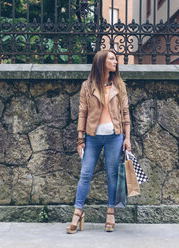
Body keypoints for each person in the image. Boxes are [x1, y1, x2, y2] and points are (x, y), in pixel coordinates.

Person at [66, 50, 131, 233]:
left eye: (115, 59)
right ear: (101, 62)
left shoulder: (119, 85)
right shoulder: (87, 86)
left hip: (114, 137)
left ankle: (110, 213)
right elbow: (82, 112)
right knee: (85, 174)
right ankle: (78, 213)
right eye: (111, 58)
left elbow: (125, 113)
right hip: (92, 137)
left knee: (112, 175)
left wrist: (127, 138)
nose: (115, 62)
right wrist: (80, 139)